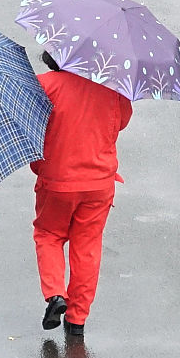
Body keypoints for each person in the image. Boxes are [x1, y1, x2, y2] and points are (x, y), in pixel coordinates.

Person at [32, 51, 132, 336]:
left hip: (57, 180)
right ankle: (77, 318)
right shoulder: (112, 89)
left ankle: (55, 294)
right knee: (87, 246)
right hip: (99, 182)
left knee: (48, 235)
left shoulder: (46, 85)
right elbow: (123, 120)